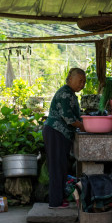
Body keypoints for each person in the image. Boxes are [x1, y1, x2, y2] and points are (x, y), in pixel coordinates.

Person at [43, 68, 86, 208]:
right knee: (57, 167)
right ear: (70, 79)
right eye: (80, 81)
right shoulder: (65, 94)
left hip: (61, 134)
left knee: (61, 167)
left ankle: (60, 199)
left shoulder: (71, 94)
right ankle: (55, 202)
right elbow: (70, 119)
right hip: (56, 132)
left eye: (84, 82)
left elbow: (76, 116)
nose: (82, 85)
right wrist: (86, 126)